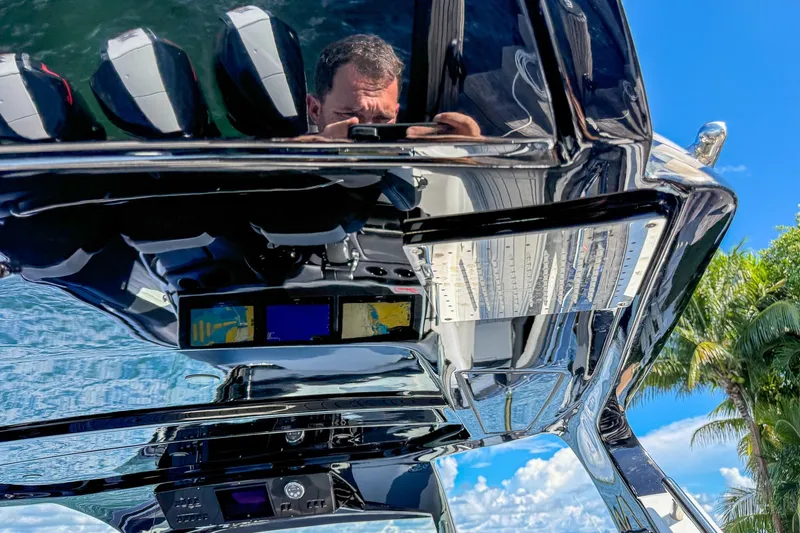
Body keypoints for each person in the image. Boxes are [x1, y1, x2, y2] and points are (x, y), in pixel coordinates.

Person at [300, 34, 480, 140]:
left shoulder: (414, 160)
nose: (367, 134)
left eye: (381, 117)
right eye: (349, 115)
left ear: (395, 114)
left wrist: (469, 155)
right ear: (315, 110)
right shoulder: (285, 164)